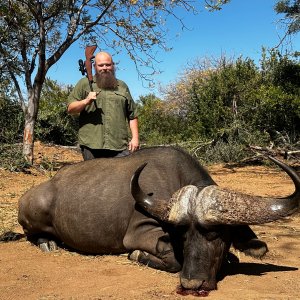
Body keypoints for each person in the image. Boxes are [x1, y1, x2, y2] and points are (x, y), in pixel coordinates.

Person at [67, 51, 139, 160]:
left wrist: (135, 138)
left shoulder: (122, 86)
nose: (104, 68)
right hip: (91, 144)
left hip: (118, 145)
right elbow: (70, 108)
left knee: (121, 177)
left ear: (113, 66)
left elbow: (132, 115)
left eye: (108, 64)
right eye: (101, 65)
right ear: (95, 66)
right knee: (93, 176)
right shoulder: (84, 83)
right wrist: (86, 101)